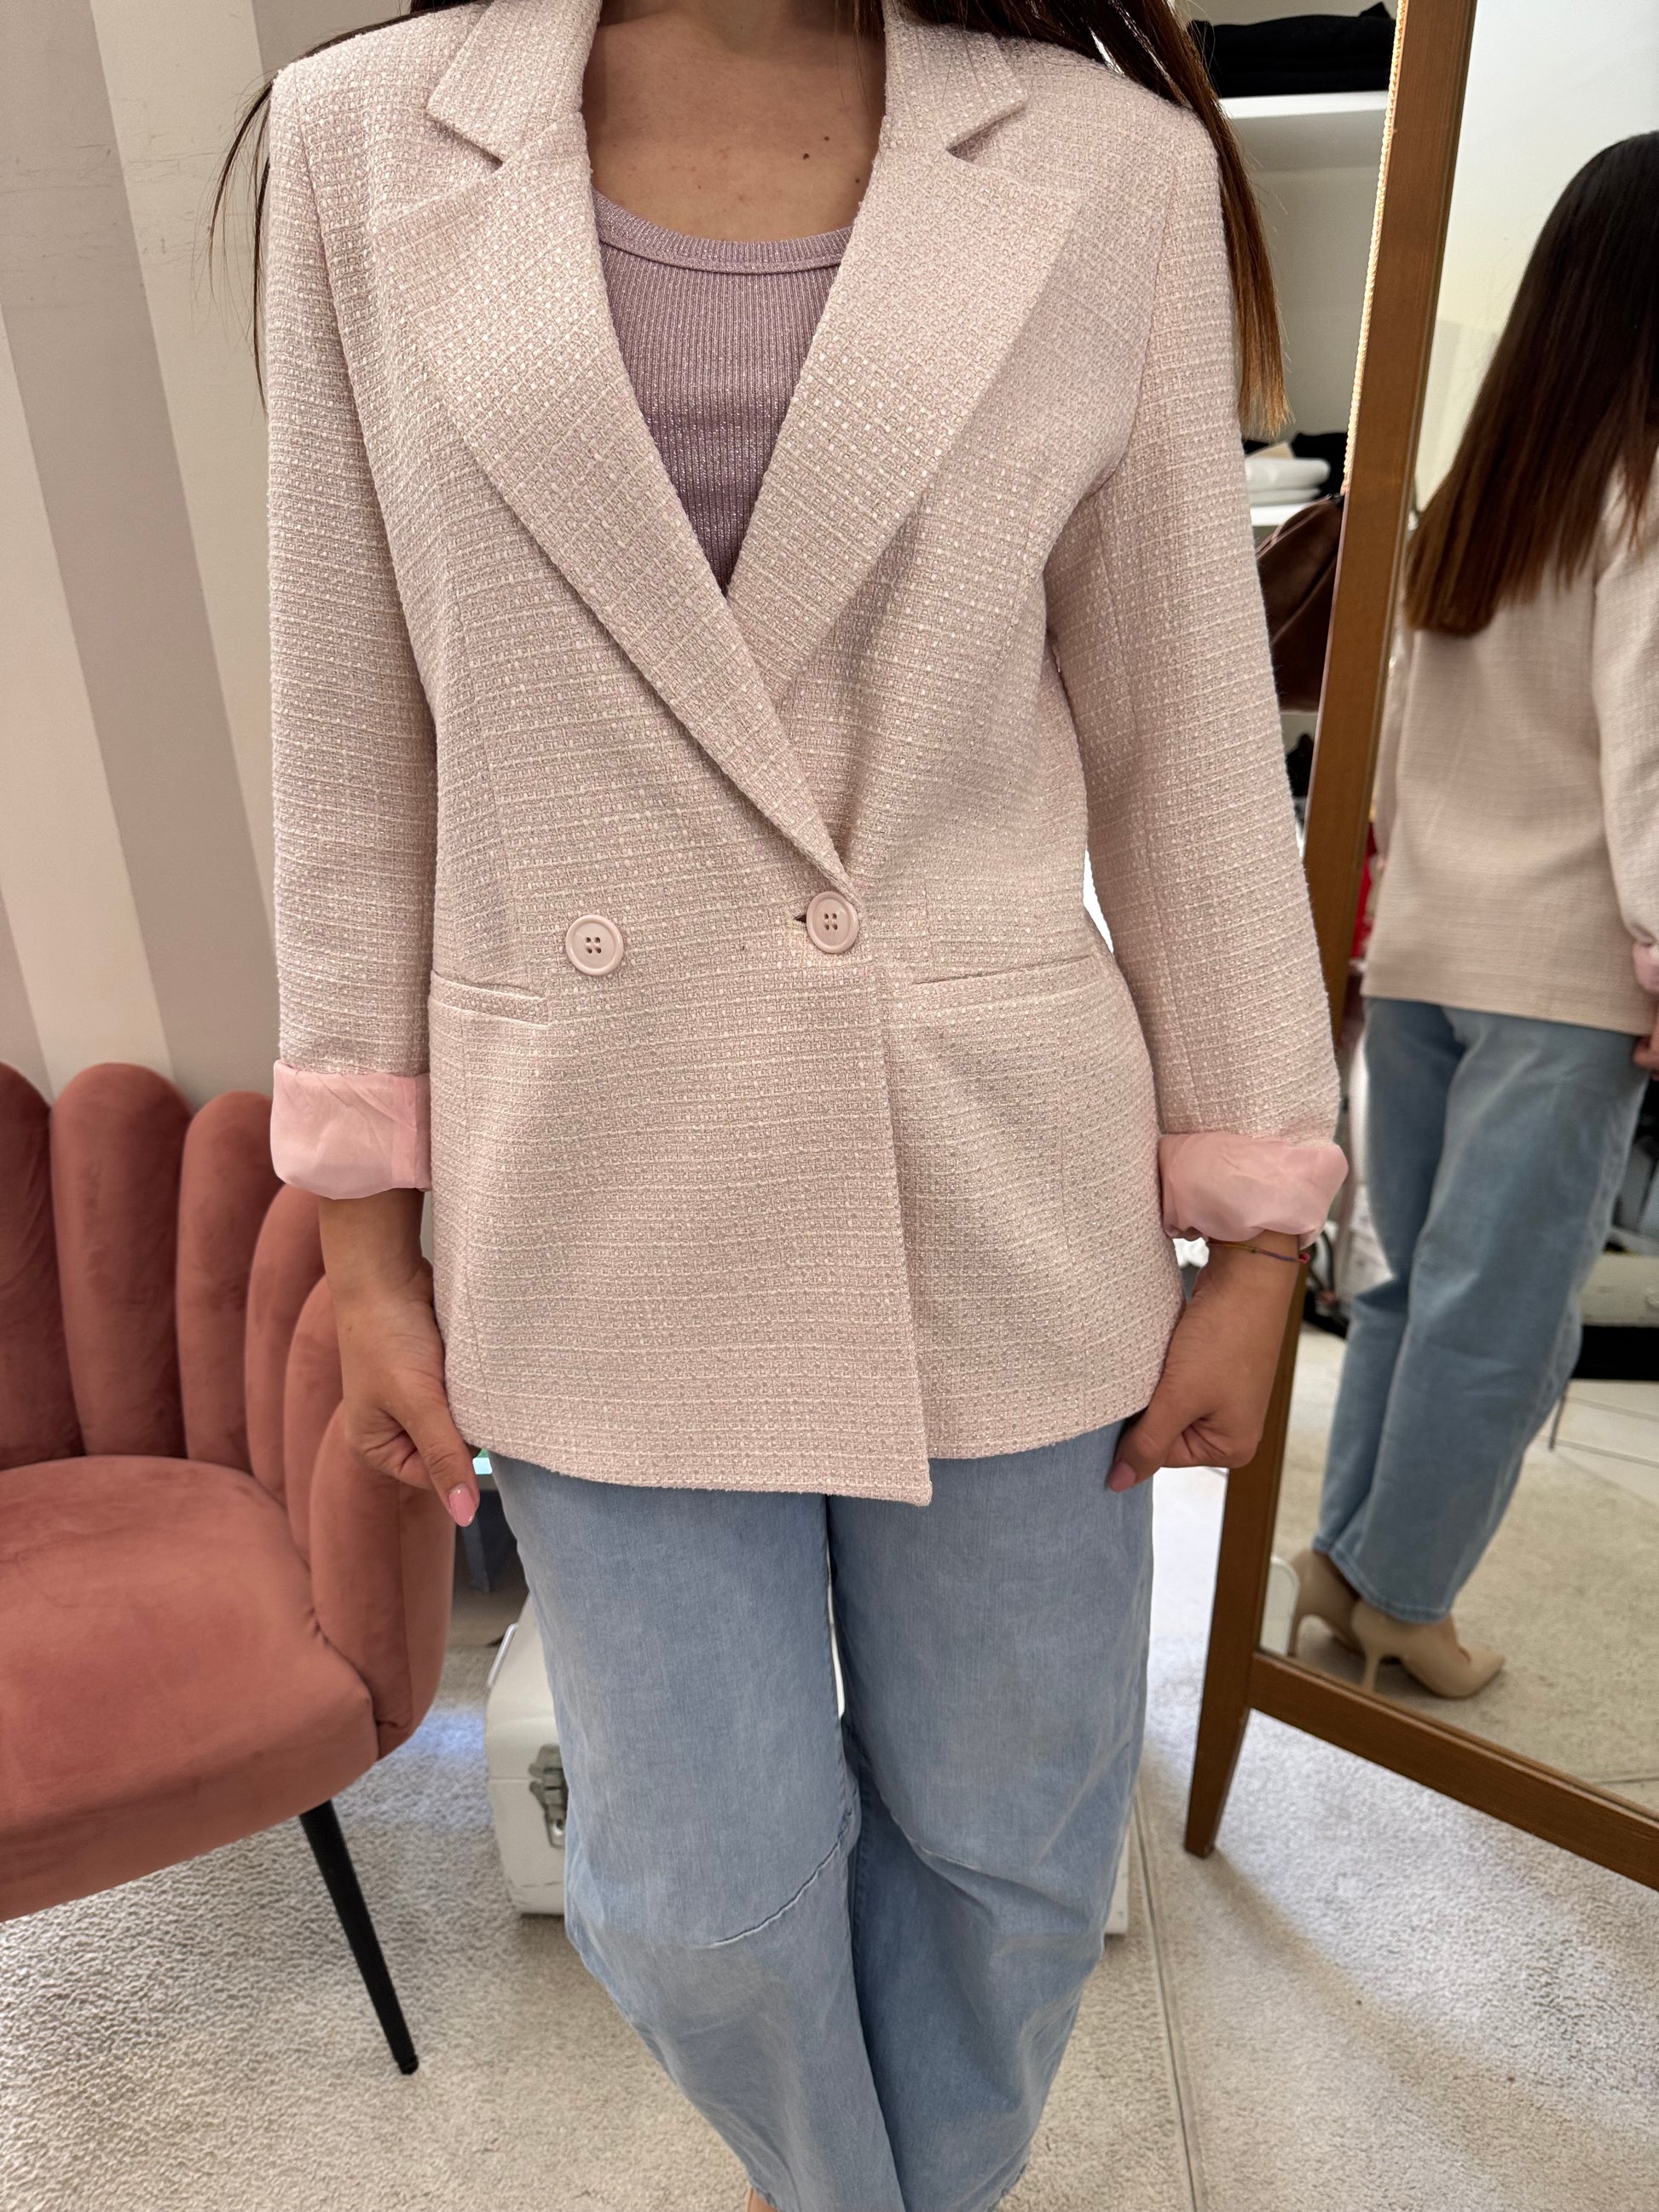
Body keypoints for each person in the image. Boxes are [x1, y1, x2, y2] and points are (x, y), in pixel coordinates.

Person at [242, 1, 1343, 2204]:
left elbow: (1188, 742)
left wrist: (1256, 1234)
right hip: (597, 1177)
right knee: (700, 1890)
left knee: (1014, 1842)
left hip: (997, 1166)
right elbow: (351, 732)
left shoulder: (1103, 164)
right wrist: (366, 1246)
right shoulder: (364, 141)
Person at [1294, 135, 1659, 1706]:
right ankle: (1405, 1596)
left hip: (1427, 945)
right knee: (1497, 1320)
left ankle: (1347, 1560)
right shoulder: (1649, 494)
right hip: (1562, 969)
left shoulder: (1474, 498)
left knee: (1407, 1285)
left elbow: (1386, 747)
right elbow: (1650, 755)